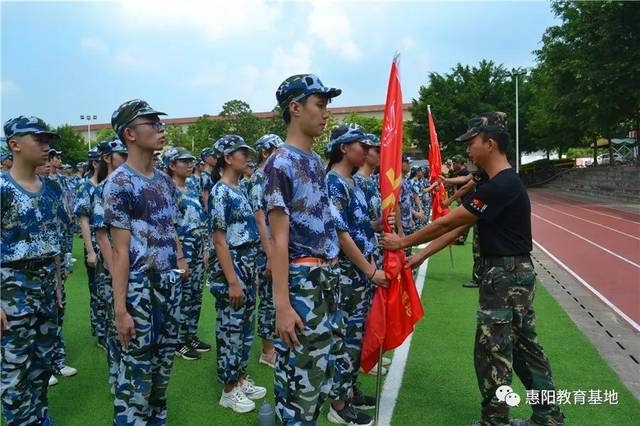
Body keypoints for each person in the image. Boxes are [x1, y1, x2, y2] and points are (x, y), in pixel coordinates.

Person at [381, 112, 565, 426]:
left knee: (492, 351)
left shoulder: (502, 185)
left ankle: (495, 420)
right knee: (524, 349)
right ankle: (548, 416)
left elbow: (450, 221)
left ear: (490, 144)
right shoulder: (498, 182)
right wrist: (421, 254)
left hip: (505, 277)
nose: (468, 151)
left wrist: (403, 242)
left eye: (472, 143)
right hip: (514, 274)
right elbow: (457, 228)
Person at [104, 99, 189, 425]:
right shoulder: (120, 183)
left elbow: (169, 229)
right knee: (136, 375)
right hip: (140, 287)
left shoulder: (165, 182)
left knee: (162, 370)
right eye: (151, 123)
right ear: (130, 134)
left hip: (168, 284)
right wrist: (121, 309)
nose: (160, 128)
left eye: (160, 122)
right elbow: (120, 252)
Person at [264, 74, 342, 425]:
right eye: (320, 105)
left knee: (321, 378)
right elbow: (279, 240)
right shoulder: (280, 163)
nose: (326, 114)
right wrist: (281, 306)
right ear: (296, 108)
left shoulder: (312, 161)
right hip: (302, 281)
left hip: (326, 277)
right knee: (300, 386)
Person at [1, 116, 68, 425]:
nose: (46, 145)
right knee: (15, 367)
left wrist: (56, 287)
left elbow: (55, 239)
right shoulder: (2, 188)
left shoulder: (52, 188)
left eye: (47, 139)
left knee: (43, 361)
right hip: (11, 285)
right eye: (37, 139)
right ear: (15, 144)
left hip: (45, 284)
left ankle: (39, 416)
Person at [325, 123, 390, 426]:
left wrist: (381, 227)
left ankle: (349, 390)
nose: (365, 150)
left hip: (361, 276)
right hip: (347, 274)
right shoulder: (333, 183)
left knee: (355, 337)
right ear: (343, 148)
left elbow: (360, 227)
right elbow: (340, 234)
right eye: (360, 145)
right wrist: (369, 269)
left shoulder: (352, 183)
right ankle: (337, 403)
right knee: (342, 338)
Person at [209, 135, 266, 413]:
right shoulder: (220, 191)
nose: (246, 157)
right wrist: (232, 281)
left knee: (244, 329)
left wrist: (250, 274)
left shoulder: (239, 188)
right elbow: (220, 240)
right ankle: (228, 389)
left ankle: (240, 378)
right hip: (231, 268)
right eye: (241, 153)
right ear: (227, 159)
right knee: (230, 330)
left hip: (247, 265)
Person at [165, 147, 211, 360]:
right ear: (172, 165)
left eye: (192, 160)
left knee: (195, 295)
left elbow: (201, 216)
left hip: (198, 246)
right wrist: (180, 256)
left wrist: (205, 249)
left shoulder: (192, 184)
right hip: (180, 249)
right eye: (184, 161)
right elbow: (169, 226)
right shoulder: (168, 189)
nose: (190, 164)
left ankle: (190, 335)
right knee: (180, 296)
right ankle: (177, 341)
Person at [92, 137, 129, 394]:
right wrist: (113, 268)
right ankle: (116, 378)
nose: (126, 158)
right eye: (121, 154)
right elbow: (102, 235)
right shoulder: (103, 188)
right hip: (112, 268)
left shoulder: (131, 184)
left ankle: (129, 374)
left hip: (130, 266)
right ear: (108, 158)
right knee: (114, 324)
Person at [250, 134, 283, 368]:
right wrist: (270, 255)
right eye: (277, 150)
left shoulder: (274, 175)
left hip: (278, 247)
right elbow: (260, 220)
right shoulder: (258, 178)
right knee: (269, 301)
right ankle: (267, 351)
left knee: (278, 295)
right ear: (265, 152)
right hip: (265, 249)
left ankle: (276, 343)